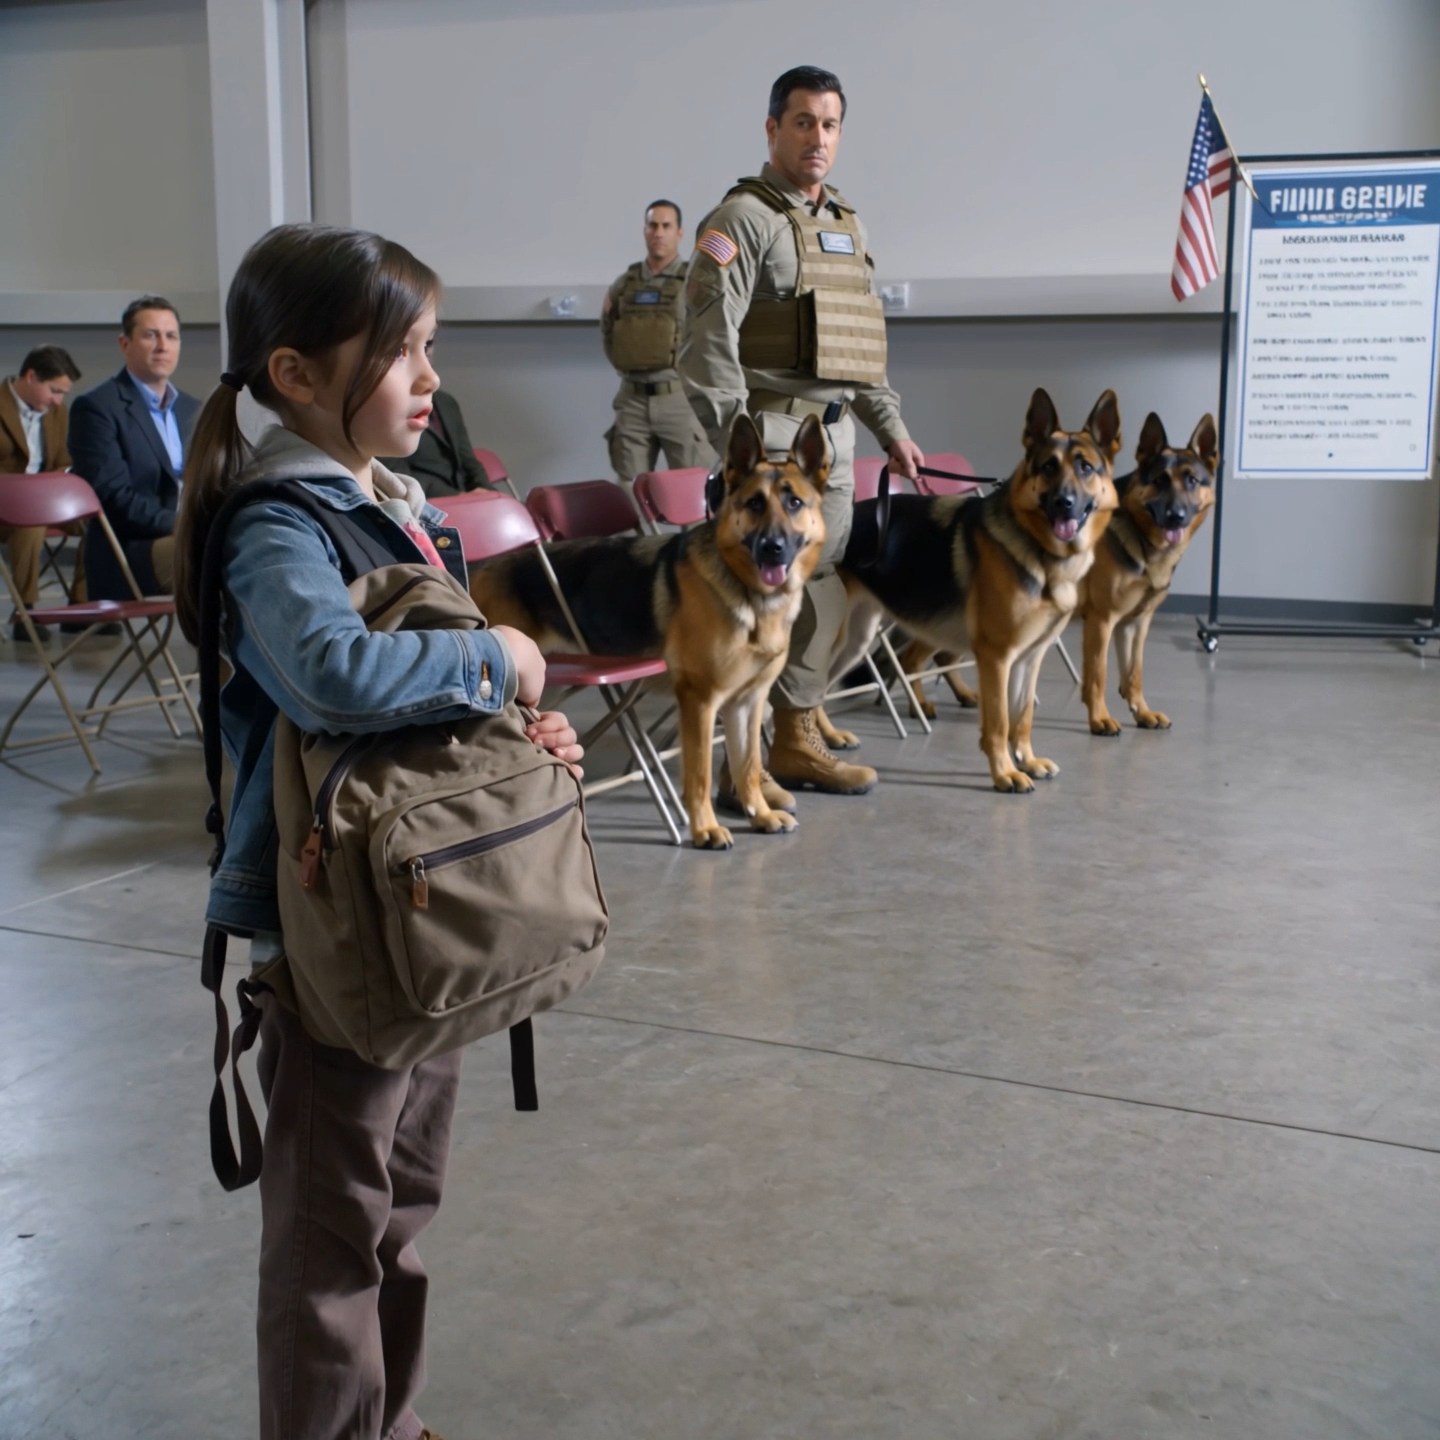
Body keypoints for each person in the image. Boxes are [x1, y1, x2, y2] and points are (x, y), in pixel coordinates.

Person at [171, 223, 584, 1440]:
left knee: (400, 1207)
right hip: (332, 936)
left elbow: (421, 722)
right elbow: (336, 676)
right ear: (295, 373)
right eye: (401, 352)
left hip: (423, 914)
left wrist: (520, 735)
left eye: (430, 347)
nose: (429, 377)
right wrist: (499, 657)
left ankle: (387, 1423)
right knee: (329, 1237)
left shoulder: (394, 507)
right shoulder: (277, 525)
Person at [679, 65, 924, 799]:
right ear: (772, 129)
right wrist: (740, 452)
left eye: (830, 124)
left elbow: (859, 348)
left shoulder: (846, 224)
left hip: (834, 444)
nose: (818, 137)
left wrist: (891, 428)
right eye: (803, 122)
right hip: (773, 442)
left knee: (823, 593)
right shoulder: (739, 222)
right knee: (784, 594)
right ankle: (768, 753)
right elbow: (705, 345)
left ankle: (794, 729)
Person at [68, 296, 201, 599]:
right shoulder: (97, 408)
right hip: (133, 549)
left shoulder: (193, 409)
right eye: (150, 335)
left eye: (171, 336)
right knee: (222, 553)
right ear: (124, 343)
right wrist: (183, 525)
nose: (163, 346)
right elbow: (114, 497)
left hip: (190, 535)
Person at [601, 199, 713, 487]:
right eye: (652, 225)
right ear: (645, 231)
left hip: (680, 399)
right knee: (629, 490)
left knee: (692, 490)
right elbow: (609, 333)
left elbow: (714, 336)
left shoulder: (696, 282)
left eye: (666, 226)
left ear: (679, 233)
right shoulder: (624, 285)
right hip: (633, 400)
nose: (658, 233)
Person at [0, 345, 82, 640]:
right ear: (31, 377)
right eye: (54, 391)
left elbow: (64, 460)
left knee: (100, 520)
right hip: (6, 506)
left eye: (63, 393)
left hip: (46, 500)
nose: (58, 400)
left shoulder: (57, 412)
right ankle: (26, 613)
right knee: (30, 523)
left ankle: (81, 607)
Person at [376, 386, 494, 498]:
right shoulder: (386, 406)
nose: (434, 380)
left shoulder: (446, 401)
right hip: (421, 502)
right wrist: (458, 497)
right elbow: (397, 474)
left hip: (466, 500)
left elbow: (468, 459)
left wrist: (488, 492)